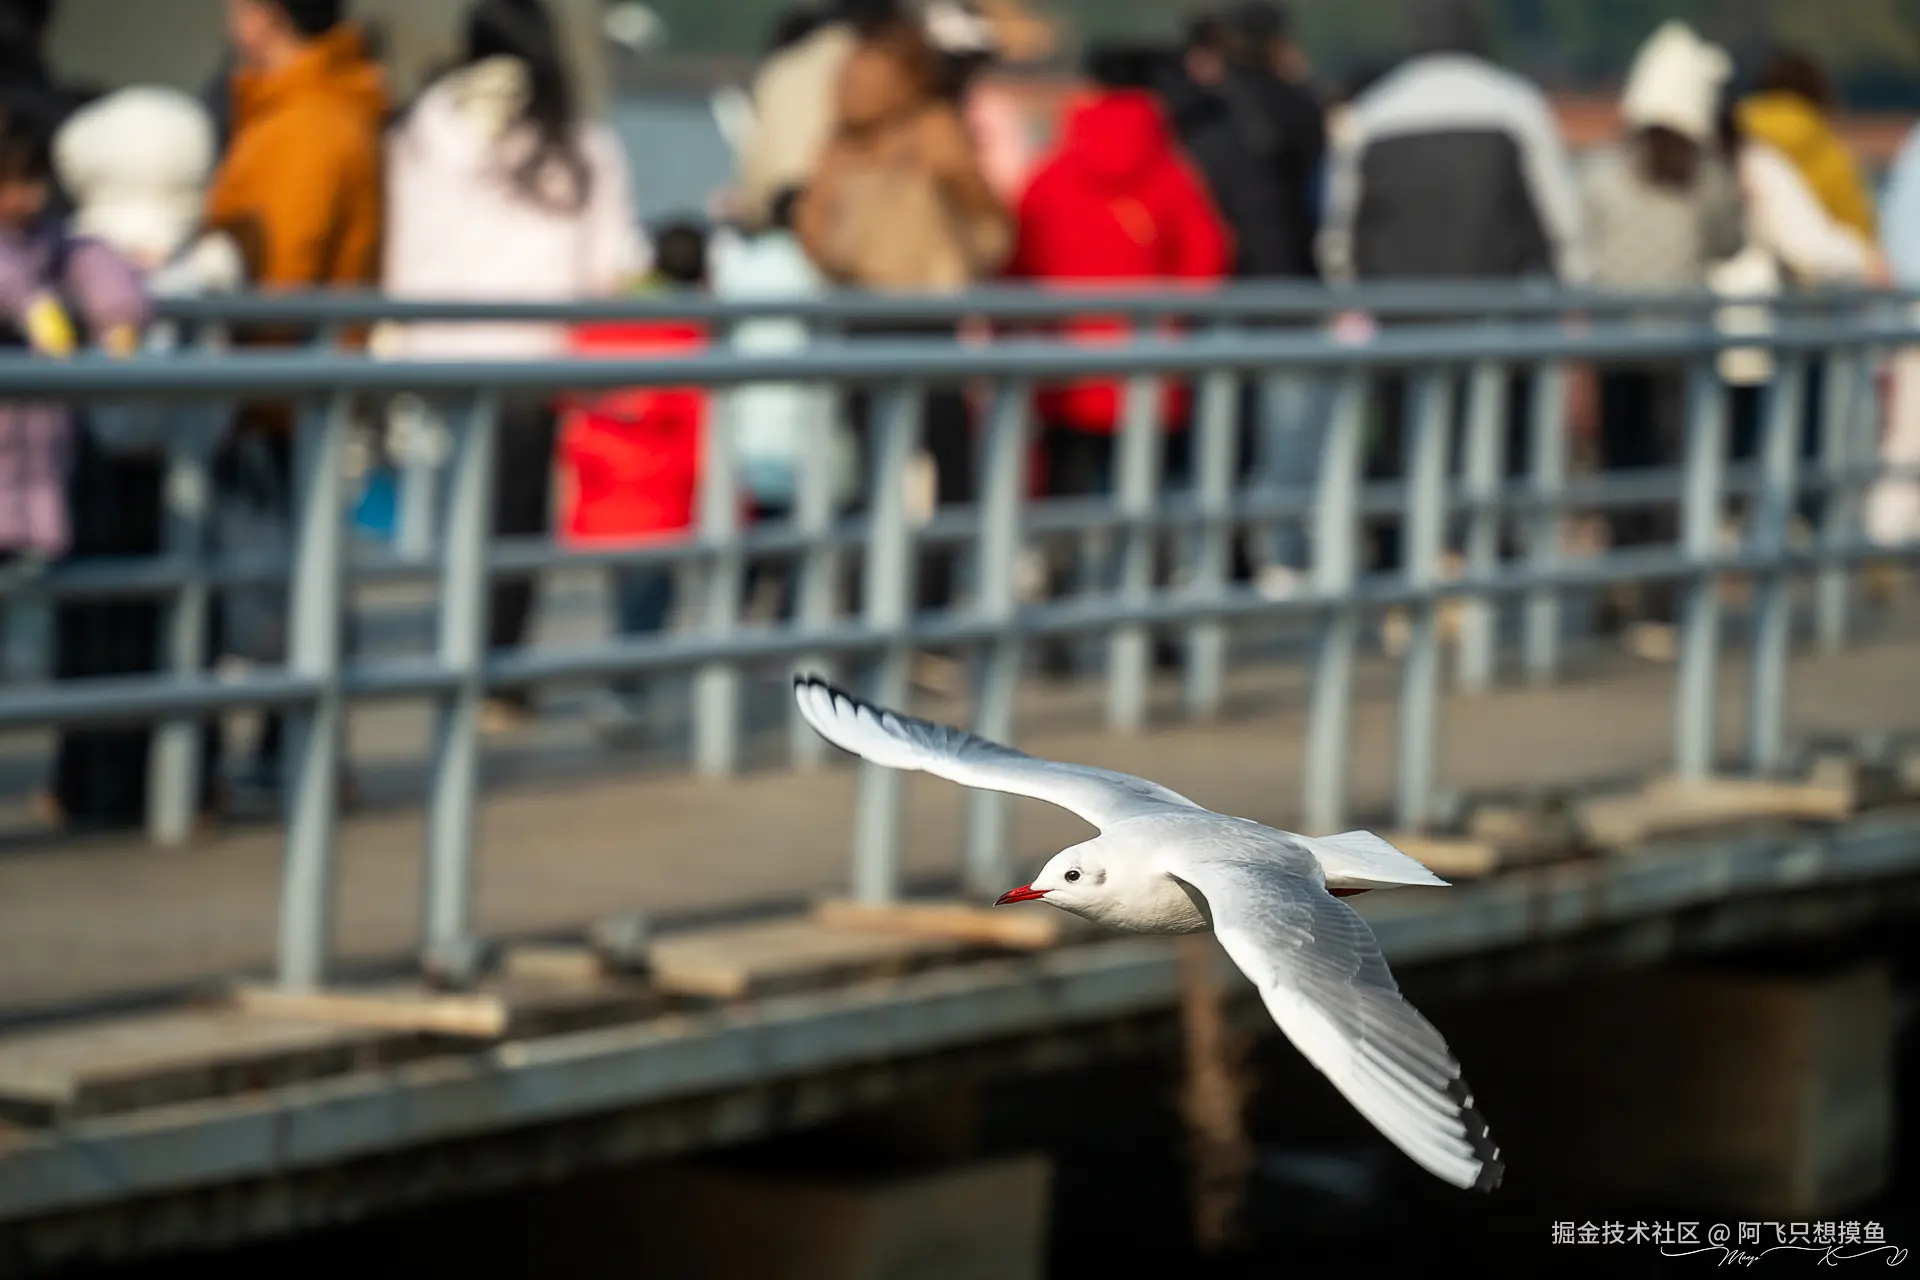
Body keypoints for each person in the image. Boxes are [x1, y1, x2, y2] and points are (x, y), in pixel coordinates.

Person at [380, 0, 646, 734]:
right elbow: (611, 268)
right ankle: (497, 673)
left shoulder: (418, 137)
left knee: (452, 518)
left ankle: (456, 662)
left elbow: (398, 254)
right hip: (532, 361)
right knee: (514, 526)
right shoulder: (580, 147)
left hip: (434, 360)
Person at [1317, 0, 1586, 618]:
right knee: (1495, 457)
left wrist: (1350, 303)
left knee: (1403, 460)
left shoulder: (1371, 114)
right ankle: (1491, 589)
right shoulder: (1516, 105)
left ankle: (1398, 582)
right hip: (1499, 323)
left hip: (1400, 327)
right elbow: (1560, 220)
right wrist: (1574, 300)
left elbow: (1339, 236)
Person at [794, 10, 1012, 692]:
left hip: (863, 322)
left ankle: (867, 619)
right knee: (941, 482)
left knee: (876, 482)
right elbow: (991, 223)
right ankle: (922, 625)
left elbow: (812, 232)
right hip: (924, 324)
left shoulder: (841, 143)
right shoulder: (932, 129)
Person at [200, 0, 386, 789]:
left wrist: (242, 384)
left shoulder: (302, 120)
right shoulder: (324, 107)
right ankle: (295, 756)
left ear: (262, 14)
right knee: (292, 583)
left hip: (273, 395)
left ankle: (294, 759)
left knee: (269, 591)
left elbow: (285, 265)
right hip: (293, 389)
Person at [1007, 42, 1231, 677]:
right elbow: (1207, 259)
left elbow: (1019, 265)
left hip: (1066, 373)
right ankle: (1156, 636)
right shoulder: (1171, 175)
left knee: (1063, 509)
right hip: (1149, 375)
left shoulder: (1052, 174)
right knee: (1153, 510)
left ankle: (1055, 637)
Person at [0, 104, 151, 831]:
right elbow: (15, 284)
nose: (21, 199)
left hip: (37, 470)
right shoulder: (20, 264)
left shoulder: (57, 245)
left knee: (58, 626)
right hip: (18, 468)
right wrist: (34, 310)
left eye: (31, 182)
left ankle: (77, 785)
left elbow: (91, 263)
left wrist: (120, 310)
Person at [1578, 21, 1744, 658]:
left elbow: (1582, 248)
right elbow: (1730, 244)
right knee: (1676, 474)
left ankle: (1619, 586)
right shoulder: (1705, 179)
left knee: (1623, 468)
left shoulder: (1604, 173)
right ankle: (1662, 607)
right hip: (1683, 346)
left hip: (1617, 342)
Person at [557, 221, 709, 745]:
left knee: (624, 596)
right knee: (648, 604)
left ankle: (620, 690)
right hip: (660, 493)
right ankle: (624, 694)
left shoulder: (598, 322)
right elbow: (697, 421)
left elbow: (569, 394)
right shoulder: (689, 330)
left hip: (602, 488)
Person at [708, 187, 858, 623]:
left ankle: (730, 619)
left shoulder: (742, 265)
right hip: (808, 424)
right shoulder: (820, 271)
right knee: (803, 536)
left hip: (748, 419)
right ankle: (787, 629)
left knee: (753, 533)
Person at [734, 0, 899, 234]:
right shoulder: (879, 68)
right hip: (848, 228)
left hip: (779, 222)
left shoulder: (779, 72)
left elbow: (754, 180)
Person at [1737, 51, 1876, 246]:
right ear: (1819, 93)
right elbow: (1860, 234)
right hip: (1819, 268)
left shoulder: (1733, 137)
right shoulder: (1831, 153)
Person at [1866, 122, 1920, 557]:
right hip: (1912, 301)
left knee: (1905, 431)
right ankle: (1886, 540)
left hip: (1906, 300)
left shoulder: (1912, 147)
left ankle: (1885, 538)